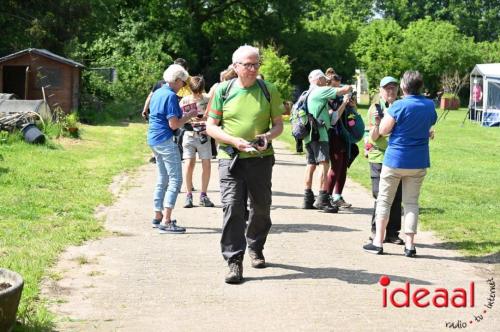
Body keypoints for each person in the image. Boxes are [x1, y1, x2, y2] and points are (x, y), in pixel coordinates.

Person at [206, 45, 284, 284]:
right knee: (233, 208)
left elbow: (279, 125)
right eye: (248, 64)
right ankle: (234, 261)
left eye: (256, 64)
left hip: (260, 159)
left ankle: (256, 245)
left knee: (261, 208)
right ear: (236, 67)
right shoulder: (222, 90)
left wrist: (266, 138)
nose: (252, 69)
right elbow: (211, 126)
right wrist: (232, 141)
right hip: (231, 159)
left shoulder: (268, 90)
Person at [363, 70, 437, 257]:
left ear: (403, 86)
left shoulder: (398, 106)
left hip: (395, 159)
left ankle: (378, 242)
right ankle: (410, 246)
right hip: (419, 161)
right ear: (420, 86)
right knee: (411, 203)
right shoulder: (429, 105)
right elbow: (429, 125)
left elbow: (384, 131)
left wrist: (378, 126)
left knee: (384, 201)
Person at [148, 64, 198, 234]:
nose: (183, 86)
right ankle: (167, 221)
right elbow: (174, 123)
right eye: (183, 83)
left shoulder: (158, 92)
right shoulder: (170, 96)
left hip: (153, 139)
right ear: (176, 80)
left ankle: (157, 216)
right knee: (176, 180)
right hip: (165, 139)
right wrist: (189, 116)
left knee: (162, 178)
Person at [302, 69, 351, 212]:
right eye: (324, 79)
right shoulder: (320, 90)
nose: (326, 82)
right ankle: (323, 198)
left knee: (310, 164)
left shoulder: (307, 93)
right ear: (318, 80)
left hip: (308, 134)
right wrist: (348, 89)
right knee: (324, 163)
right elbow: (342, 90)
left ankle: (307, 197)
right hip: (320, 133)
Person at [365, 76, 404, 245]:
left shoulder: (402, 107)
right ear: (380, 91)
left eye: (394, 87)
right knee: (380, 194)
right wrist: (378, 123)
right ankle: (376, 231)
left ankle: (392, 233)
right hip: (379, 156)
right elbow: (373, 138)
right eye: (387, 88)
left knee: (396, 195)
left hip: (397, 158)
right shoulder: (375, 109)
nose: (391, 91)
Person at [179, 76, 215, 208]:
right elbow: (179, 117)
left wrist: (206, 119)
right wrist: (187, 118)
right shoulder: (185, 100)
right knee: (188, 164)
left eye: (199, 91)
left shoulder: (207, 99)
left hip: (204, 136)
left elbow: (214, 115)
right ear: (190, 89)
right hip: (189, 135)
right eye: (195, 92)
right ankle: (188, 195)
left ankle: (203, 195)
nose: (197, 94)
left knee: (207, 164)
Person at [325, 74, 355, 209]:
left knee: (343, 168)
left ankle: (337, 196)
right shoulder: (326, 99)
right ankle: (327, 196)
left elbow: (351, 118)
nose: (339, 90)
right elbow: (333, 118)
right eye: (336, 88)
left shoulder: (340, 98)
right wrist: (343, 103)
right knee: (335, 167)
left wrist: (352, 106)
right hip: (333, 136)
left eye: (340, 86)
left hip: (344, 137)